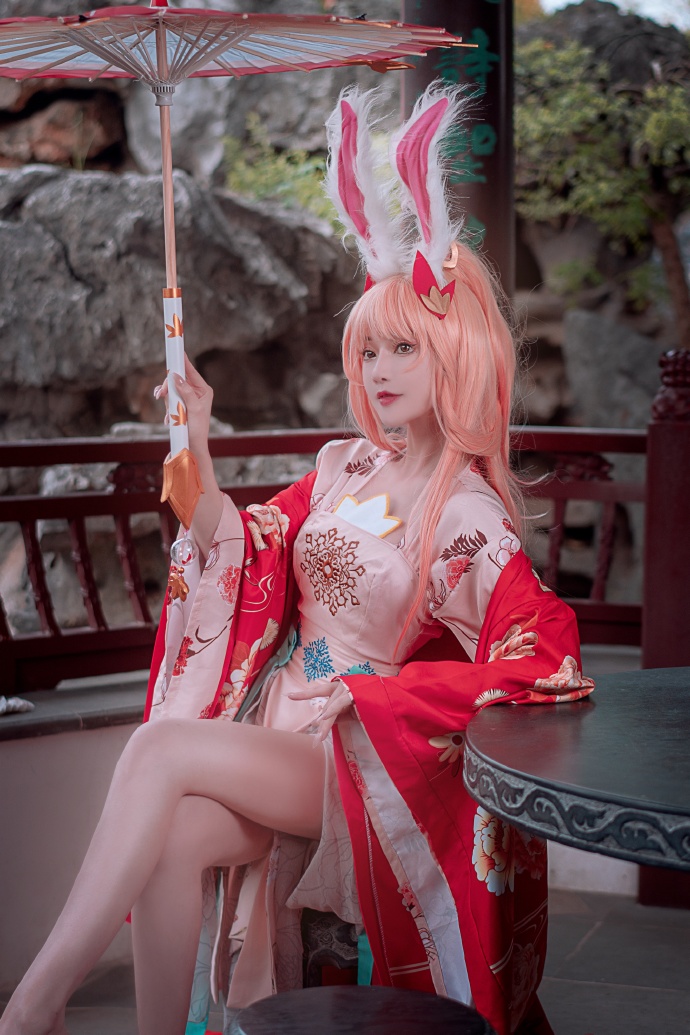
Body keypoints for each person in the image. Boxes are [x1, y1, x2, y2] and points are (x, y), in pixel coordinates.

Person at [0, 84, 593, 1035]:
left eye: (405, 350)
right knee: (168, 843)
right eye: (370, 352)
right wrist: (196, 436)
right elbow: (245, 545)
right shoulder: (344, 462)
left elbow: (538, 652)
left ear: (456, 355)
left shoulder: (467, 516)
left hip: (347, 753)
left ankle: (33, 1005)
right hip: (272, 724)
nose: (380, 371)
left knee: (157, 747)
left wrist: (398, 701)